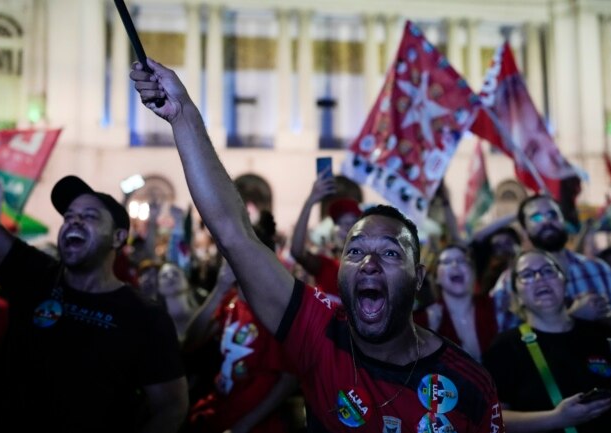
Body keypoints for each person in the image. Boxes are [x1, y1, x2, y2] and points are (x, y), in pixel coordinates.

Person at [131, 58, 504, 433]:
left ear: (419, 277)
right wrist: (184, 117)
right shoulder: (318, 333)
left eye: (391, 252)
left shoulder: (471, 384)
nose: (369, 263)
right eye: (354, 251)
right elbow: (233, 233)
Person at [0, 175, 188, 433]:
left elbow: (172, 407)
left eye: (90, 216)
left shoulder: (146, 318)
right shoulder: (34, 275)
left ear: (118, 238)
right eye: (68, 216)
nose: (74, 221)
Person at [483, 249, 611, 432]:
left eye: (548, 271)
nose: (540, 278)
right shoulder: (505, 347)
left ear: (565, 283)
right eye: (527, 275)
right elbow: (493, 419)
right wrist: (555, 419)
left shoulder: (603, 334)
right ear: (517, 296)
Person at [182, 211, 298, 433]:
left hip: (255, 424)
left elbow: (289, 380)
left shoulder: (275, 311)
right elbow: (190, 342)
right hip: (217, 411)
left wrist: (241, 427)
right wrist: (219, 289)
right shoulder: (230, 301)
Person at [490, 194, 611, 333]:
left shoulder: (598, 269)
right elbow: (509, 344)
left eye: (553, 215)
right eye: (537, 217)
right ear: (524, 230)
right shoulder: (511, 281)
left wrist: (608, 316)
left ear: (563, 220)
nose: (546, 221)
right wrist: (572, 316)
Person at [414, 245, 498, 362]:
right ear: (436, 277)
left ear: (473, 272)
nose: (455, 265)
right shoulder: (422, 320)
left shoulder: (495, 306)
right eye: (447, 262)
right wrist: (430, 334)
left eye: (462, 261)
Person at [290, 174, 362, 301]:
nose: (347, 228)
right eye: (343, 224)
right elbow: (297, 251)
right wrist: (310, 201)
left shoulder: (370, 266)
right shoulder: (327, 266)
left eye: (352, 223)